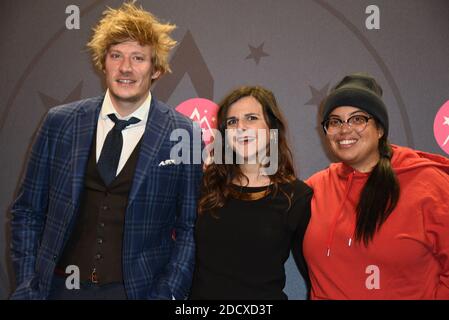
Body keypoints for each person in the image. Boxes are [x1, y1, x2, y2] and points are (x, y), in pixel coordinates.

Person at [10, 2, 202, 300]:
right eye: (117, 56)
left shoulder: (184, 133)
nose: (126, 68)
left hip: (137, 292)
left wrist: (166, 294)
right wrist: (26, 287)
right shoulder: (60, 122)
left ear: (157, 70)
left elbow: (189, 228)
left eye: (138, 58)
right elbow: (27, 211)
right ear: (103, 63)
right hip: (59, 289)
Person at [304, 72, 449, 299]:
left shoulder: (429, 183)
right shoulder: (316, 187)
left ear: (380, 129)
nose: (344, 129)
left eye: (358, 119)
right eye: (335, 121)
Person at [189, 86, 313, 300]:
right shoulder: (203, 186)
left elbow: (317, 273)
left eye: (251, 118)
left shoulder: (296, 196)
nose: (241, 128)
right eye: (232, 122)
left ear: (272, 128)